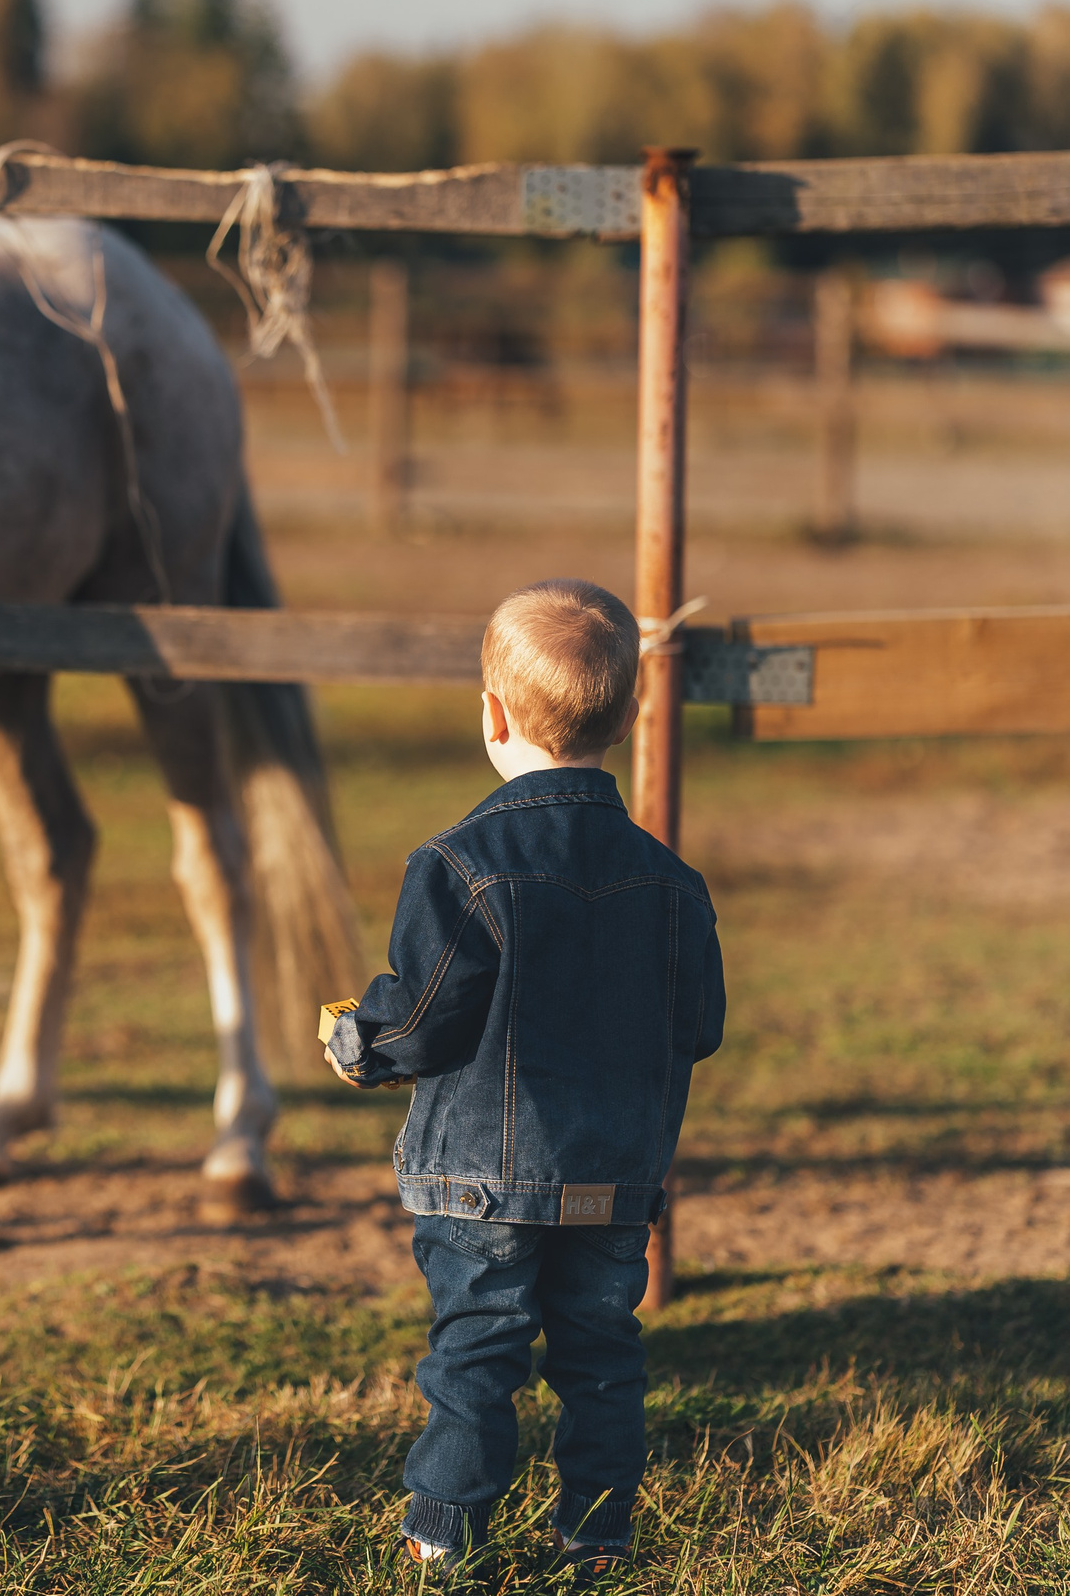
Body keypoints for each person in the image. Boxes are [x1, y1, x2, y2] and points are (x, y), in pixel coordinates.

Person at [320, 577, 724, 1582]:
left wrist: (354, 1040)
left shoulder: (459, 866)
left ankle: (444, 1532)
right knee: (601, 1355)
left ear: (492, 714)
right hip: (613, 1176)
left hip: (481, 1181)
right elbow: (700, 1027)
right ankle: (596, 1537)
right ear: (628, 717)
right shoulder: (672, 883)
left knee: (477, 1352)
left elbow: (421, 1018)